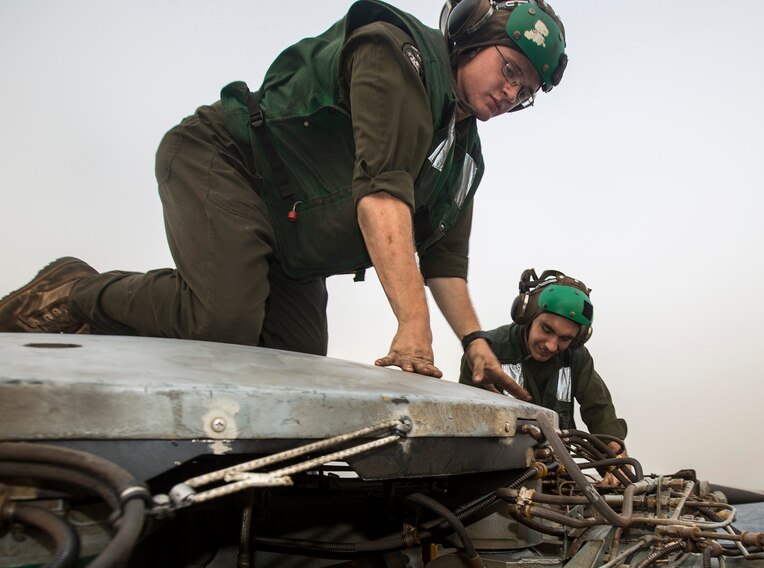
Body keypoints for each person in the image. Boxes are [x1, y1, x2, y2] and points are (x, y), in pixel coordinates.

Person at [0, 0, 567, 399]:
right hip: (228, 164)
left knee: (291, 370)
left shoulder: (464, 157)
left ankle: (110, 332)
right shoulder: (400, 55)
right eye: (510, 68)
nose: (511, 92)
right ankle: (75, 289)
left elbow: (444, 264)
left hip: (294, 247)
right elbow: (379, 194)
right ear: (470, 33)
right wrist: (411, 324)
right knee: (223, 321)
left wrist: (475, 344)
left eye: (526, 92)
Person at [459, 269, 628, 452]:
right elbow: (466, 425)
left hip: (556, 464)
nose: (551, 346)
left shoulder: (576, 357)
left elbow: (599, 410)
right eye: (547, 329)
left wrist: (616, 459)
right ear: (527, 314)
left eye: (565, 339)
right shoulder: (487, 352)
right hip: (497, 466)